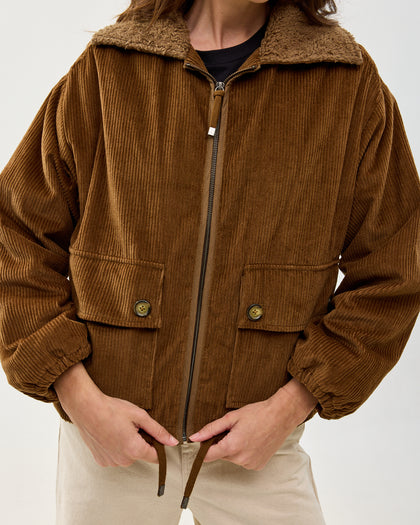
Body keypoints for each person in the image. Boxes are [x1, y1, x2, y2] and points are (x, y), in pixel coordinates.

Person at [0, 0, 419, 523]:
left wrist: (290, 406)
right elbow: (15, 235)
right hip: (110, 438)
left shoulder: (346, 81)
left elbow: (395, 270)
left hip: (258, 448)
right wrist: (79, 397)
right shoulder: (111, 66)